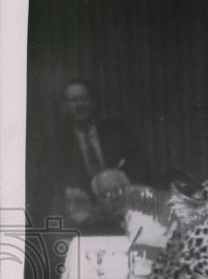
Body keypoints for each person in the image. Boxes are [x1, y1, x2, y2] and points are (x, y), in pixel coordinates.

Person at [30, 79, 150, 233]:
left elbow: (142, 172)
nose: (79, 105)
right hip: (78, 222)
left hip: (123, 215)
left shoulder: (119, 132)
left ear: (94, 103)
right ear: (64, 107)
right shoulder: (55, 144)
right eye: (73, 100)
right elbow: (46, 190)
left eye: (84, 98)